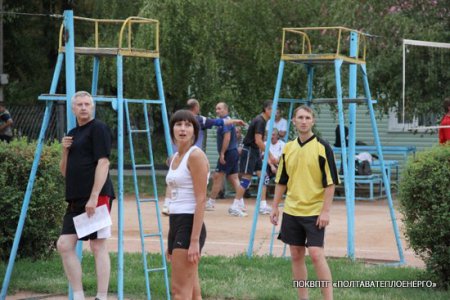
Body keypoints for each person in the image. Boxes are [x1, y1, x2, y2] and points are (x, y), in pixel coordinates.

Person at [270, 105, 339, 300]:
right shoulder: (288, 148)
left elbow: (331, 183)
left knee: (316, 255)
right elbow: (281, 180)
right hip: (292, 210)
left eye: (307, 117)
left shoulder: (322, 147)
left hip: (314, 211)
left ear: (313, 121)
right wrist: (275, 207)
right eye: (300, 117)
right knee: (296, 254)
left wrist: (325, 211)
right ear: (293, 121)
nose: (303, 121)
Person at [57, 91, 115, 300]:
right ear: (73, 109)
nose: (83, 107)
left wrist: (94, 196)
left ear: (92, 107)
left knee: (97, 245)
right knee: (64, 245)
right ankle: (79, 296)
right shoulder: (72, 133)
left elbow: (104, 162)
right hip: (75, 199)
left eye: (87, 104)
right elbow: (65, 171)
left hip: (96, 197)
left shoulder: (98, 128)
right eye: (79, 104)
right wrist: (64, 151)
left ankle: (102, 296)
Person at [162, 98, 245, 215]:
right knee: (201, 180)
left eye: (219, 108)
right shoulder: (198, 120)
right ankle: (204, 203)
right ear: (196, 107)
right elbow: (219, 122)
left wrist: (171, 154)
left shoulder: (177, 119)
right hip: (192, 156)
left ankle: (167, 204)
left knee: (173, 179)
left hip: (177, 154)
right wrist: (235, 121)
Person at [165, 109, 209, 299]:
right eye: (178, 124)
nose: (183, 129)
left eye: (188, 125)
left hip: (190, 224)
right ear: (172, 128)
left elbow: (201, 199)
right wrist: (170, 238)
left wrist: (194, 241)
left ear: (195, 131)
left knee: (179, 291)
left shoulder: (195, 156)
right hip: (176, 222)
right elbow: (175, 199)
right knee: (192, 294)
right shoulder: (175, 157)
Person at [231, 100, 276, 217]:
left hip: (255, 151)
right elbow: (258, 141)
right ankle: (235, 206)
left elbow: (258, 142)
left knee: (264, 177)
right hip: (250, 150)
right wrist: (270, 155)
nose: (275, 113)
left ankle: (263, 205)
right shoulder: (260, 121)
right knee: (246, 179)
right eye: (273, 110)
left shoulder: (262, 120)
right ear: (267, 110)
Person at [206, 102, 241, 211]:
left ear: (226, 110)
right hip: (233, 151)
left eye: (219, 109)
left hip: (228, 152)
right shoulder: (227, 121)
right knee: (234, 178)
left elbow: (227, 138)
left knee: (217, 176)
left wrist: (222, 153)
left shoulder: (226, 122)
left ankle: (211, 202)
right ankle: (240, 203)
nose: (217, 111)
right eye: (216, 109)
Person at [259, 128, 285, 215]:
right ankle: (263, 204)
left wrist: (277, 166)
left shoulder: (283, 145)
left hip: (279, 165)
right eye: (270, 135)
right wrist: (272, 166)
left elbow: (282, 158)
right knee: (264, 177)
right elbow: (265, 157)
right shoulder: (265, 144)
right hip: (268, 165)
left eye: (273, 135)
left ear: (277, 136)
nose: (272, 136)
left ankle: (285, 201)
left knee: (285, 178)